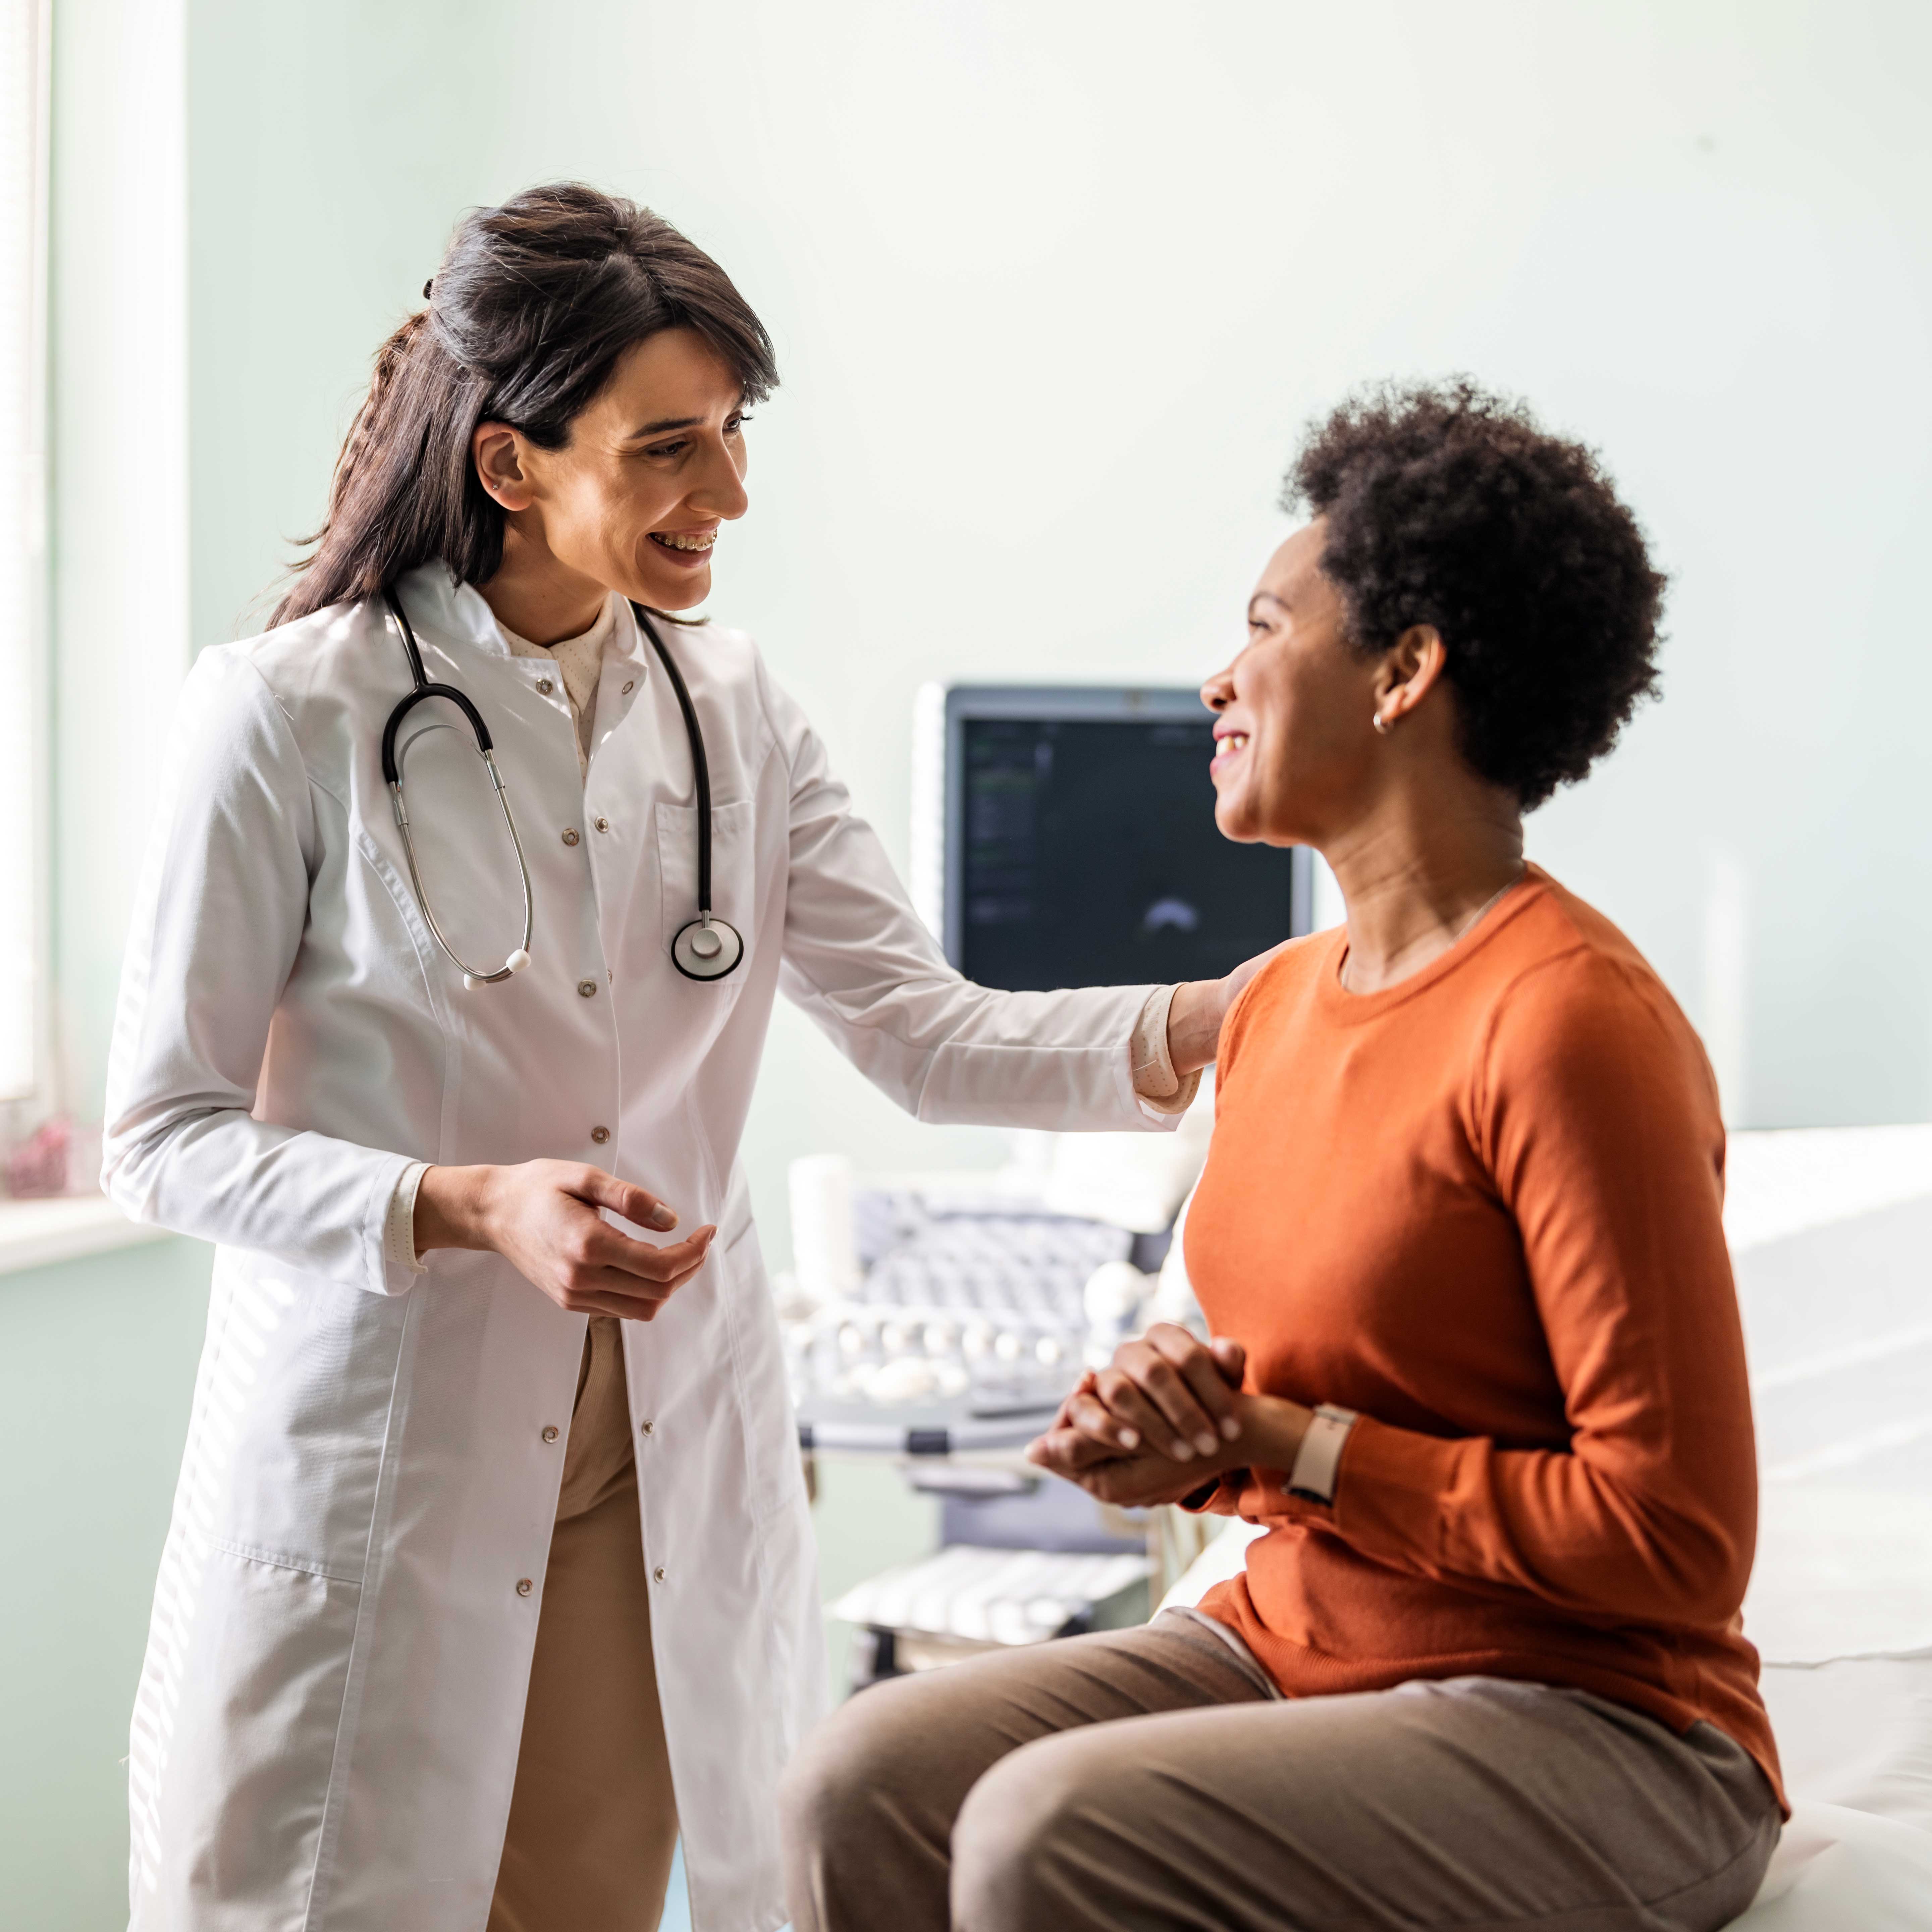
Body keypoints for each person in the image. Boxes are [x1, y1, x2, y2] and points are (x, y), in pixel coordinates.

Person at [102, 184, 1268, 1932]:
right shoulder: (286, 715)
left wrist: (1252, 1014)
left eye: (731, 438)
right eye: (667, 449)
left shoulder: (737, 714)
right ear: (511, 465)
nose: (725, 496)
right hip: (389, 1459)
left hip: (648, 1459)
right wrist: (465, 1203)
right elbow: (161, 1137)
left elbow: (927, 1036)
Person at [780, 381, 1785, 1932]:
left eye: (1263, 627)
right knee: (859, 1782)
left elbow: (1677, 1544)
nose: (1216, 680)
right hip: (1297, 1639)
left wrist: (1286, 1445)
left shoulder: (1573, 1024)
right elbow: (1307, 1369)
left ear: (1405, 673)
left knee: (1048, 1832)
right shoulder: (1278, 1009)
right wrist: (1180, 1414)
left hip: (1598, 1716)